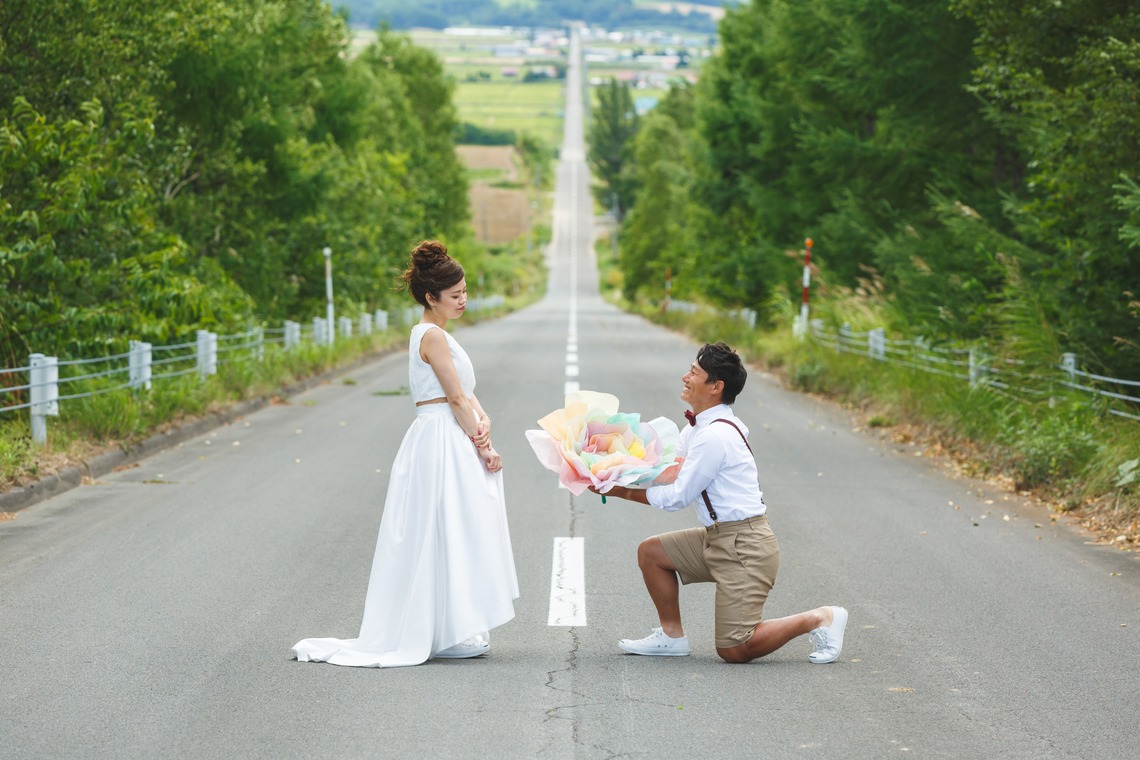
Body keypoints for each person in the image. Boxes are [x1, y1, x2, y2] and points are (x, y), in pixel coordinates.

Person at [292, 240, 518, 667]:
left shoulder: (438, 334)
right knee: (446, 527)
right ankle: (448, 628)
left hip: (449, 434)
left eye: (466, 292)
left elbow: (466, 395)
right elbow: (453, 398)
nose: (464, 300)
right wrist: (484, 446)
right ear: (431, 298)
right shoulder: (431, 336)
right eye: (455, 295)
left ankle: (454, 624)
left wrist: (481, 418)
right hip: (440, 437)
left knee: (454, 527)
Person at [592, 342, 847, 664]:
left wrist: (620, 492)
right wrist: (609, 469)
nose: (685, 377)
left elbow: (677, 497)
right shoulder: (699, 428)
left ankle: (820, 617)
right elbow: (666, 472)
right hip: (718, 538)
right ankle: (671, 637)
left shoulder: (715, 436)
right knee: (652, 552)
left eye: (694, 373)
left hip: (746, 547)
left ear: (716, 386)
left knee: (734, 649)